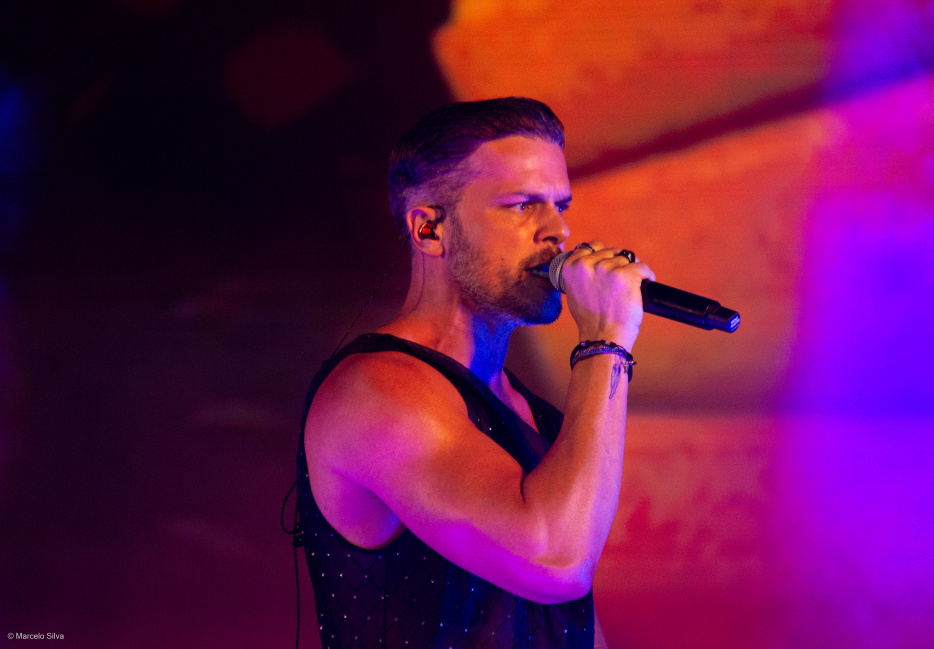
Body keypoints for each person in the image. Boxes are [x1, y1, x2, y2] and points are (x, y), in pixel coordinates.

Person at [296, 97, 655, 649]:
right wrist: (606, 340)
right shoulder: (375, 391)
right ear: (429, 229)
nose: (558, 231)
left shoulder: (527, 409)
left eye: (560, 205)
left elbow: (570, 623)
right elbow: (557, 562)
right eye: (522, 205)